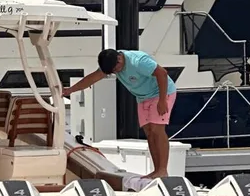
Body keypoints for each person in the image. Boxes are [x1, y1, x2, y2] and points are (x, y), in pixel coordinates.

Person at [63, 48, 177, 178]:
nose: (116, 72)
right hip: (143, 97)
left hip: (161, 92)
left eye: (115, 70)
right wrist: (70, 90)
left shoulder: (138, 61)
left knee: (157, 130)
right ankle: (157, 170)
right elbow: (93, 78)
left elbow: (162, 73)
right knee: (149, 133)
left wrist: (162, 100)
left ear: (119, 59)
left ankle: (163, 170)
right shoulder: (111, 63)